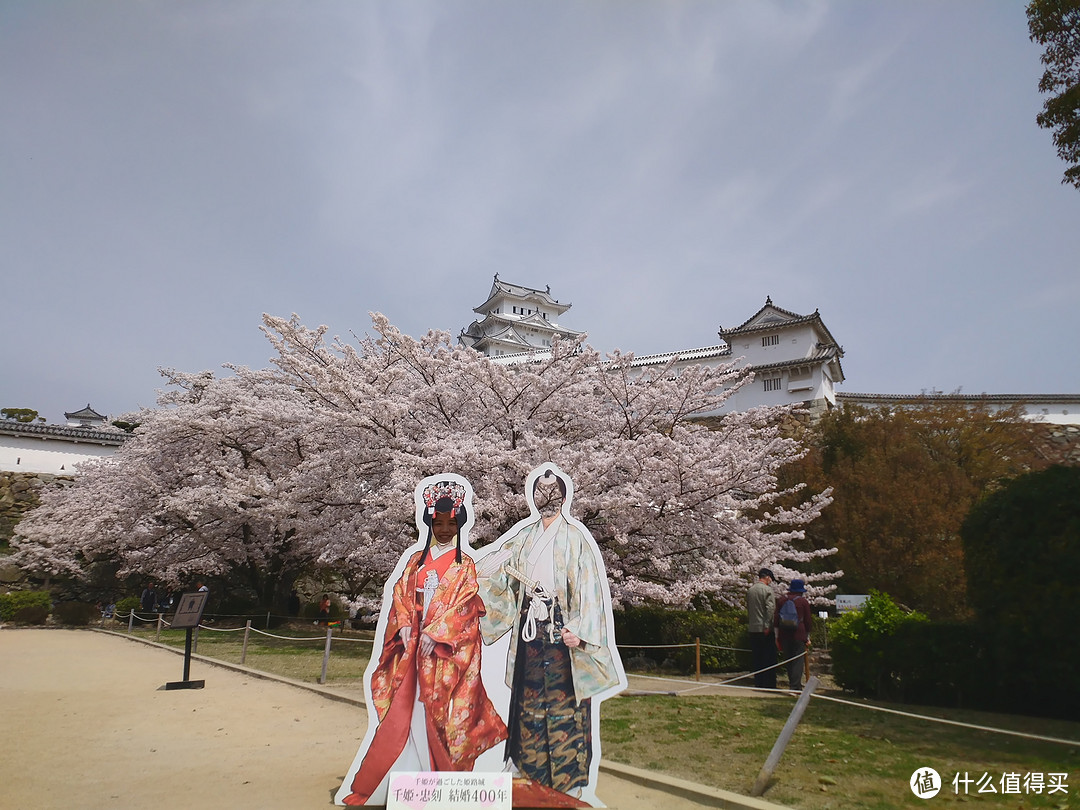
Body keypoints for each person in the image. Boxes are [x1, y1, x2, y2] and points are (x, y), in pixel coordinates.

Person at [337, 476, 507, 807]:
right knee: (404, 713)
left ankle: (440, 780)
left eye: (451, 523)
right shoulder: (415, 560)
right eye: (438, 522)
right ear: (429, 522)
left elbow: (467, 606)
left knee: (437, 717)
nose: (444, 529)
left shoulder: (465, 565)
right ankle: (400, 778)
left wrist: (437, 632)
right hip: (412, 649)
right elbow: (401, 595)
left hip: (441, 656)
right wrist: (403, 624)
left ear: (460, 524)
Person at [476, 465, 626, 802]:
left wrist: (579, 626)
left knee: (564, 701)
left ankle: (567, 780)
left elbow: (589, 591)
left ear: (563, 494)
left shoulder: (575, 539)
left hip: (561, 630)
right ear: (533, 496)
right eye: (541, 492)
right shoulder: (524, 538)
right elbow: (500, 574)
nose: (548, 498)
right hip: (531, 627)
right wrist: (476, 580)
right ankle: (528, 770)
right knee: (528, 700)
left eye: (553, 491)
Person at [774, 578, 813, 691]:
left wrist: (777, 637)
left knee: (789, 660)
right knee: (798, 661)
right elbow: (808, 621)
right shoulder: (803, 602)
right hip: (799, 634)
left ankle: (792, 683)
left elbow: (776, 619)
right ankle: (795, 686)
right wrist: (807, 637)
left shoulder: (781, 600)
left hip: (784, 634)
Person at [746, 568, 777, 689]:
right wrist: (767, 625)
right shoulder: (767, 590)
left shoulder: (750, 590)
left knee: (757, 657)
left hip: (753, 628)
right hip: (765, 629)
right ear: (767, 577)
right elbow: (770, 609)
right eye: (770, 579)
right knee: (768, 657)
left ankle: (758, 682)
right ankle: (768, 683)